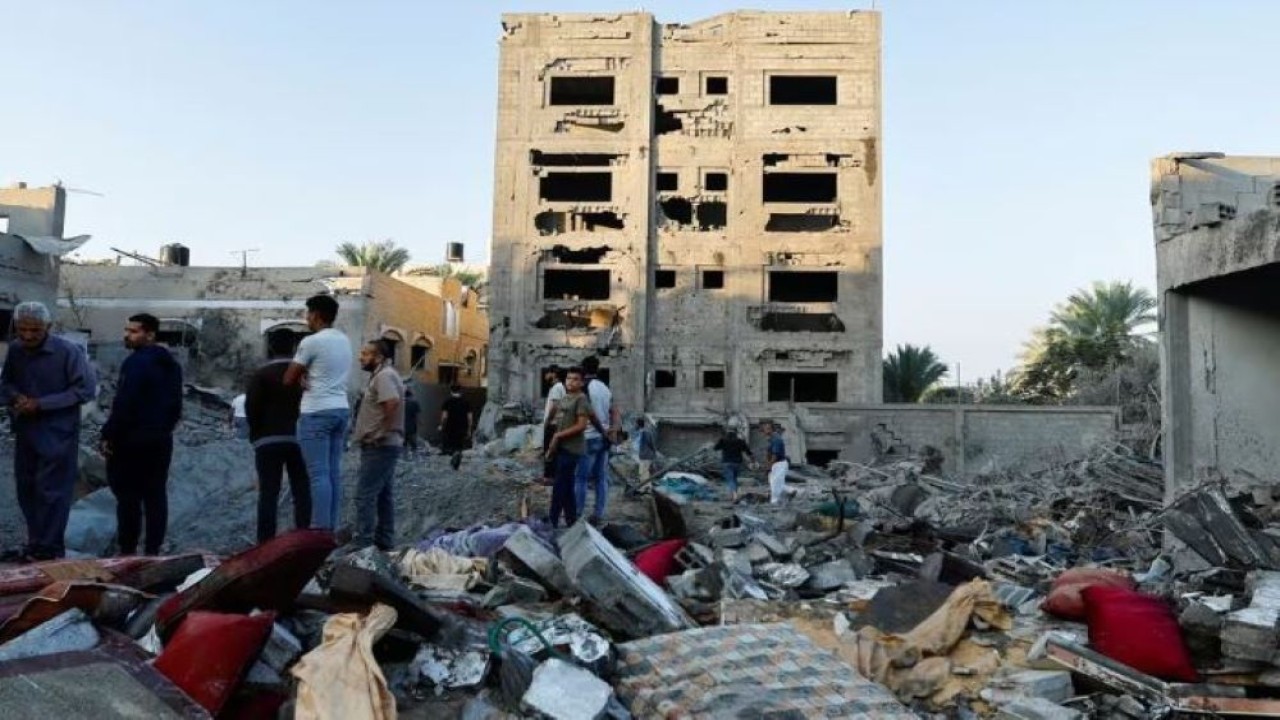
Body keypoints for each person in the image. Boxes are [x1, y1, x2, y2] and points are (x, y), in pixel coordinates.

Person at [0, 302, 97, 561]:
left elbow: (84, 390)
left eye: (35, 330)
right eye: (23, 330)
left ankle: (50, 549)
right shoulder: (17, 350)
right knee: (27, 489)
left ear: (48, 327)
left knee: (52, 492)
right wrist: (15, 397)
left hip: (58, 434)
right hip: (26, 432)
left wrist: (41, 404)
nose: (28, 336)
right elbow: (6, 382)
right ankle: (35, 544)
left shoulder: (68, 352)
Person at [101, 314, 183, 556]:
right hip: (159, 440)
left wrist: (109, 434)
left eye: (134, 331)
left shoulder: (136, 363)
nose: (127, 335)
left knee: (128, 497)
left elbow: (125, 402)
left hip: (131, 440)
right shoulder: (171, 365)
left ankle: (127, 550)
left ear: (150, 334)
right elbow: (176, 405)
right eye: (127, 330)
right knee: (155, 495)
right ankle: (152, 551)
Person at [285, 295, 352, 530]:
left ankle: (319, 530)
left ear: (315, 314)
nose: (306, 318)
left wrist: (302, 375)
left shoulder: (311, 342)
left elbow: (289, 378)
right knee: (332, 472)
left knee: (318, 474)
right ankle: (329, 528)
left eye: (308, 313)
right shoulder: (344, 340)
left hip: (316, 411)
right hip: (340, 409)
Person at [246, 331, 311, 543]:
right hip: (299, 438)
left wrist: (256, 434)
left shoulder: (261, 374)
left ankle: (265, 543)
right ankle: (303, 535)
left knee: (269, 493)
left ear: (270, 348)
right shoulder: (303, 374)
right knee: (301, 488)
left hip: (267, 440)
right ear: (294, 348)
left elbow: (251, 407)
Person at [352, 340, 404, 550]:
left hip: (380, 446)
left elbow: (392, 402)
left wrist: (382, 432)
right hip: (384, 445)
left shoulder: (383, 376)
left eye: (365, 354)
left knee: (364, 495)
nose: (360, 357)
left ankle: (363, 544)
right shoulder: (384, 375)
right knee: (383, 495)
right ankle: (384, 541)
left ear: (379, 357)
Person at [544, 366, 590, 528]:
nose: (571, 382)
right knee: (568, 485)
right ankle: (571, 519)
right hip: (561, 447)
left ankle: (552, 520)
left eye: (575, 379)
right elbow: (558, 418)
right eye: (569, 378)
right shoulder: (566, 397)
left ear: (582, 383)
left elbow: (582, 425)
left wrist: (557, 436)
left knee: (559, 485)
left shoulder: (581, 399)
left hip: (572, 448)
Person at [576, 356, 620, 523]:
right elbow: (615, 411)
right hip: (604, 439)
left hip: (588, 437)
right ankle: (599, 514)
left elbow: (585, 414)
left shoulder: (584, 388)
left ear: (583, 369)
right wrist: (612, 430)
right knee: (601, 478)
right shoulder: (604, 387)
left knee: (580, 478)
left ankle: (578, 514)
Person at [713, 429, 755, 503]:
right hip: (737, 463)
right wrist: (753, 461)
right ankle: (733, 495)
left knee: (730, 479)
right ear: (736, 433)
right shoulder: (740, 441)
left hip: (727, 463)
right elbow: (748, 452)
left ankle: (735, 495)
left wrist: (720, 440)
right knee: (734, 479)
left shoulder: (723, 440)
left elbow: (715, 448)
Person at [540, 366, 566, 484]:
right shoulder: (560, 387)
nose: (545, 376)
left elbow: (554, 406)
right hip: (557, 424)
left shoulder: (556, 388)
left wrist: (547, 421)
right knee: (553, 450)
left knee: (549, 449)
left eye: (547, 373)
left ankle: (549, 477)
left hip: (553, 424)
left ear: (553, 374)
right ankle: (552, 476)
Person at [438, 384, 472, 471]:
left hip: (450, 428)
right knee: (459, 446)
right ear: (460, 391)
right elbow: (469, 418)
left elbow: (445, 416)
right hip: (462, 428)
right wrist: (469, 430)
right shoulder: (466, 402)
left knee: (451, 445)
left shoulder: (447, 402)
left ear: (451, 391)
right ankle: (456, 461)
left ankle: (453, 460)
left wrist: (441, 425)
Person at [763, 421, 790, 504]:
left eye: (767, 429)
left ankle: (774, 502)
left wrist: (769, 466)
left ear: (772, 429)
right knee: (775, 482)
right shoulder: (771, 439)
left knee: (775, 483)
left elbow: (775, 455)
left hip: (779, 464)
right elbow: (769, 453)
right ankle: (790, 491)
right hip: (776, 464)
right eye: (764, 429)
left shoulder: (776, 439)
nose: (765, 431)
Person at [633, 416, 657, 485]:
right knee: (642, 473)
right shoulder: (639, 433)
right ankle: (645, 488)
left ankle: (646, 488)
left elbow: (651, 444)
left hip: (646, 456)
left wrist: (654, 453)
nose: (634, 425)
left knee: (644, 474)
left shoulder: (646, 433)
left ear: (638, 424)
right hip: (643, 456)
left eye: (635, 424)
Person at [403, 388, 420, 452]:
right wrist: (419, 423)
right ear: (411, 394)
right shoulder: (415, 402)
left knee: (404, 444)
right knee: (414, 445)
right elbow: (417, 415)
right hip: (412, 427)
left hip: (402, 427)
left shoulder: (401, 402)